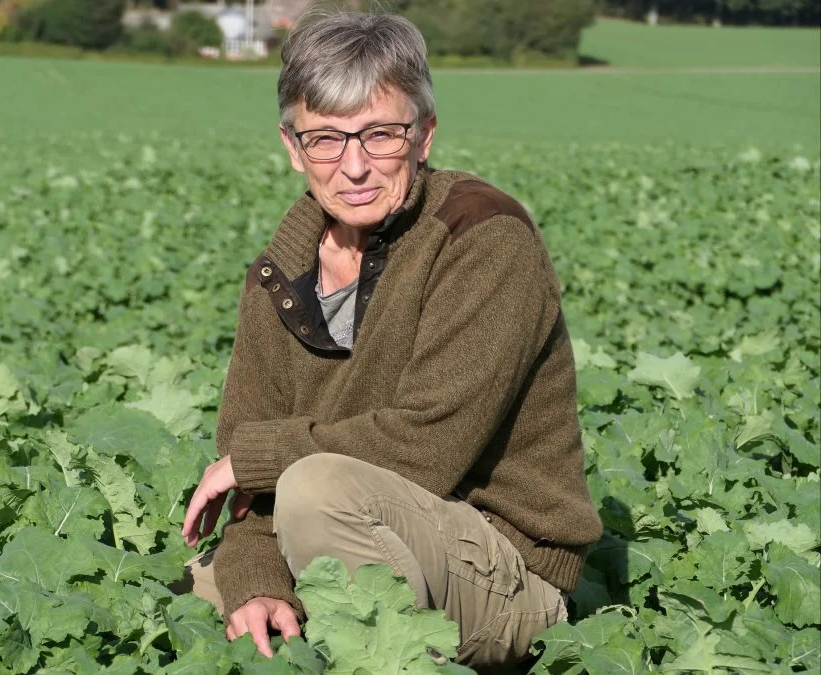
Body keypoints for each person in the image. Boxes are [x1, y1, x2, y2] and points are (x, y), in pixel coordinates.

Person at [175, 8, 603, 672]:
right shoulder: (278, 278)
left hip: (499, 565)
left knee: (317, 491)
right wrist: (257, 581)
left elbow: (427, 445)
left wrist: (256, 457)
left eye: (380, 134)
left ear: (424, 134)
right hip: (350, 536)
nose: (354, 166)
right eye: (325, 139)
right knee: (194, 595)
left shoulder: (483, 238)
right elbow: (252, 491)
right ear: (292, 147)